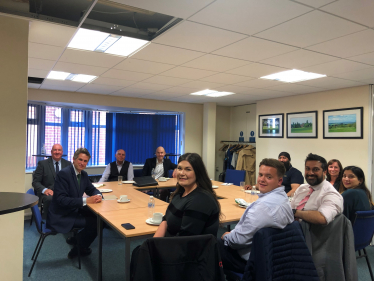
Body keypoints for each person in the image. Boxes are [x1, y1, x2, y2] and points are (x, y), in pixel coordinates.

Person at [218, 158, 294, 273]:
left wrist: (226, 236)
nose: (262, 180)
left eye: (268, 177)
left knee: (210, 245)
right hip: (273, 257)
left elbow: (238, 241)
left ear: (279, 181)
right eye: (261, 175)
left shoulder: (263, 207)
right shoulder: (283, 198)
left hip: (252, 262)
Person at [47, 148, 102, 259]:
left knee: (98, 217)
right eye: (80, 160)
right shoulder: (64, 174)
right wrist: (86, 200)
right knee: (96, 223)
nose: (82, 163)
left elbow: (91, 189)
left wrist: (98, 195)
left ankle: (76, 239)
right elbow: (61, 200)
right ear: (74, 159)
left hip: (73, 208)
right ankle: (79, 248)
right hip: (62, 214)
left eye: (85, 161)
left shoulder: (83, 174)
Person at [153, 152, 221, 237]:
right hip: (171, 244)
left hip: (187, 248)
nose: (182, 173)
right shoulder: (180, 193)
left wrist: (155, 247)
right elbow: (166, 219)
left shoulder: (201, 200)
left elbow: (185, 241)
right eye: (179, 168)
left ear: (198, 172)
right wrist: (153, 243)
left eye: (188, 169)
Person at [291, 153, 343, 225]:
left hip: (312, 235)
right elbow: (290, 209)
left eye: (315, 169)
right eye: (307, 169)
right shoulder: (301, 188)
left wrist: (295, 213)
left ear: (324, 172)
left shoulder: (331, 194)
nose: (310, 173)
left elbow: (323, 217)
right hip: (291, 229)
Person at [32, 144, 72, 219]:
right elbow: (35, 182)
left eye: (59, 150)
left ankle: (68, 222)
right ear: (51, 152)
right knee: (50, 199)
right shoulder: (43, 164)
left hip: (64, 192)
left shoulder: (68, 164)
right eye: (55, 150)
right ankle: (49, 223)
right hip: (48, 193)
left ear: (62, 152)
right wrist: (45, 190)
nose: (57, 152)